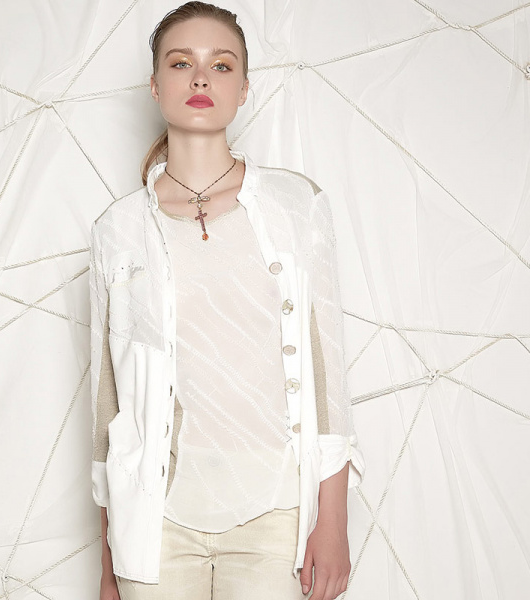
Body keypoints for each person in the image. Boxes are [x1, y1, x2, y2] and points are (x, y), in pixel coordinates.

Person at [88, 2, 365, 599]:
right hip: (154, 519)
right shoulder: (117, 229)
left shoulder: (296, 205)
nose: (199, 77)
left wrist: (334, 521)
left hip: (276, 510)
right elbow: (109, 404)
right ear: (155, 85)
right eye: (180, 63)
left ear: (242, 89)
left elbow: (327, 376)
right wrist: (110, 560)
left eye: (220, 64)